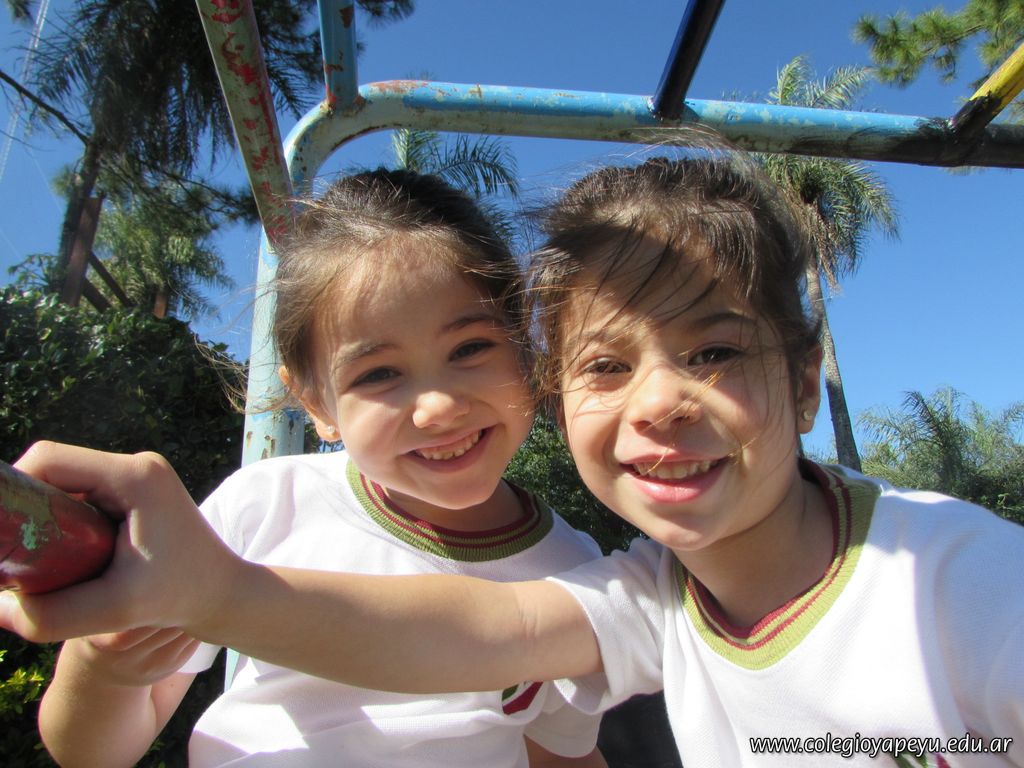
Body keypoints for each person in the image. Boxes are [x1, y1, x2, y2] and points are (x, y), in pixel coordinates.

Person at [5, 151, 1023, 767]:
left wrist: (215, 593)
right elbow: (472, 629)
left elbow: (502, 659)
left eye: (713, 352)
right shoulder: (645, 599)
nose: (658, 400)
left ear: (802, 382)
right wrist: (174, 608)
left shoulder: (964, 588)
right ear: (310, 402)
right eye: (608, 365)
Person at [20, 169, 609, 768]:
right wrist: (105, 666)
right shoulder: (267, 504)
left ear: (525, 348)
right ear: (316, 405)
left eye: (470, 348)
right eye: (379, 374)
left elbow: (560, 754)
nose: (437, 408)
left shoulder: (576, 572)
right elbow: (93, 755)